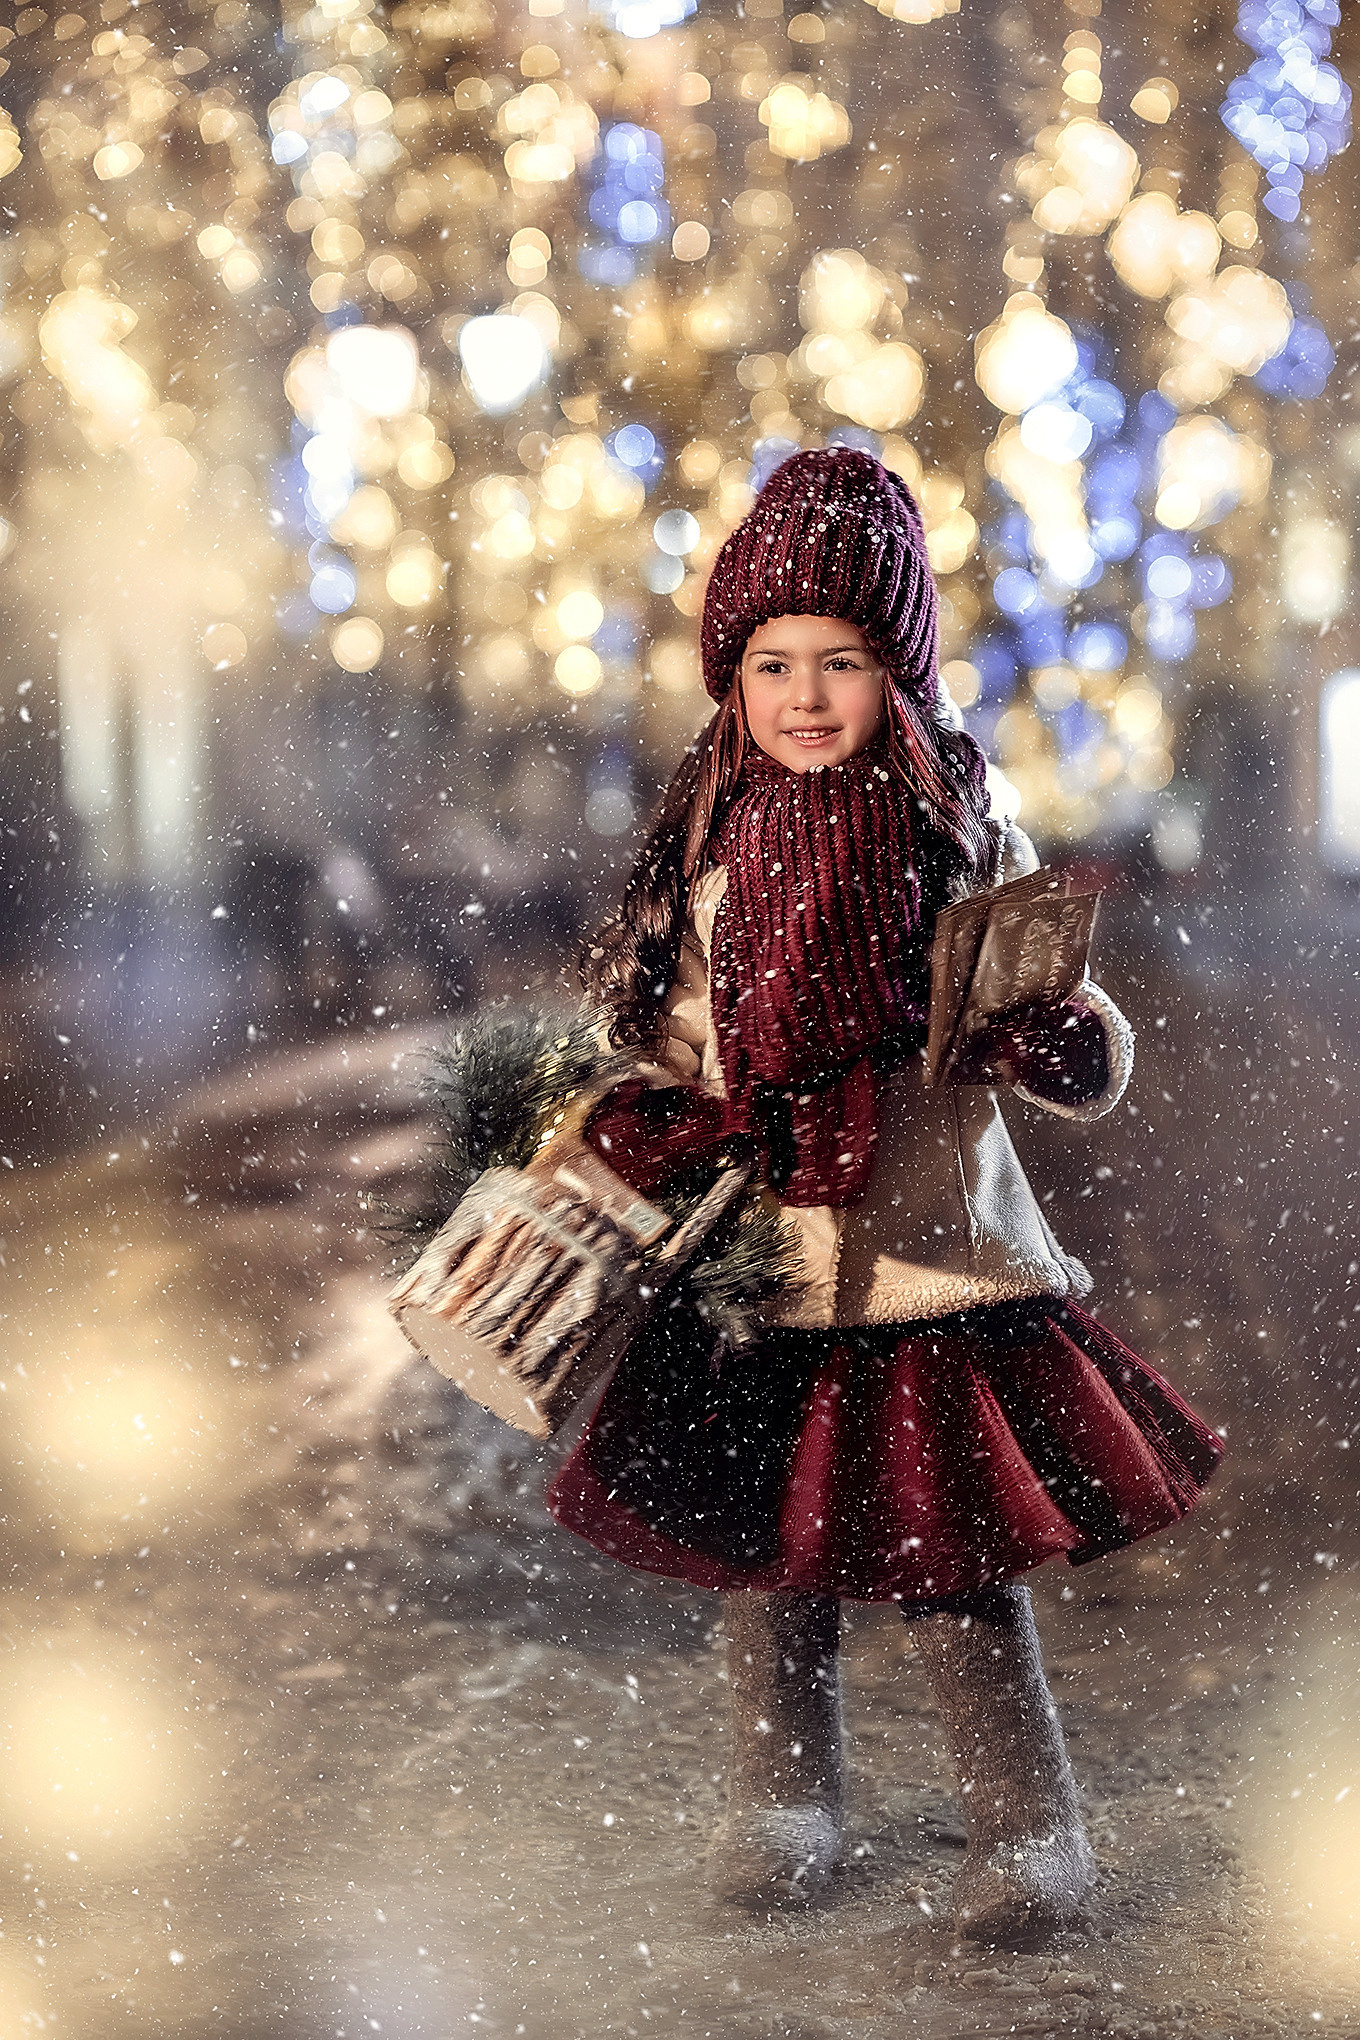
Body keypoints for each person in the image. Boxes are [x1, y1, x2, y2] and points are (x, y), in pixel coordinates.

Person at [545, 448, 1221, 1937]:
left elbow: (1080, 1039)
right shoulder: (705, 856)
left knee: (950, 1567)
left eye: (840, 661)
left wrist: (1052, 1036)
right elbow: (664, 1037)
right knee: (765, 1561)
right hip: (765, 1272)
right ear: (731, 678)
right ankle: (784, 1797)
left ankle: (1027, 1827)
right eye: (772, 662)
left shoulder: (961, 839)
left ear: (897, 676)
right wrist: (647, 1118)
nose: (803, 695)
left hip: (926, 1266)